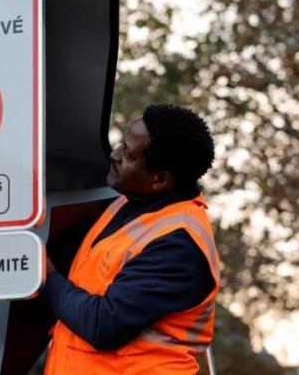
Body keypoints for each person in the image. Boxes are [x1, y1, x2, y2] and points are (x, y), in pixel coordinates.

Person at [41, 104, 221, 375]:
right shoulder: (126, 203)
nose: (114, 154)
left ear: (160, 179)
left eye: (127, 152)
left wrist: (44, 276)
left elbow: (103, 325)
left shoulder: (179, 245)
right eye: (120, 143)